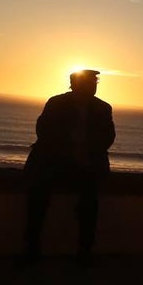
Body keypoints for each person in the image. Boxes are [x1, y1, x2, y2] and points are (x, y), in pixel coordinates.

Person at [22, 69, 116, 267]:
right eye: (88, 83)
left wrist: (85, 153)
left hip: (86, 166)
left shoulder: (103, 108)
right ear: (73, 85)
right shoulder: (57, 103)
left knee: (89, 202)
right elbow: (44, 132)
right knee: (38, 197)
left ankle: (84, 251)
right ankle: (32, 248)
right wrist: (69, 151)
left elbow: (108, 138)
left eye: (94, 83)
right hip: (55, 163)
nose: (92, 86)